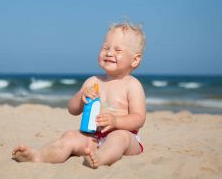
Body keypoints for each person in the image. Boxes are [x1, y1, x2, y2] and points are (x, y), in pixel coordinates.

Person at [12, 21, 146, 169]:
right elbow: (72, 109)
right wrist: (82, 96)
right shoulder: (93, 81)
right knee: (70, 136)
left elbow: (139, 118)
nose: (109, 53)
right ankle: (38, 156)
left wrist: (116, 122)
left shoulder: (132, 85)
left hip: (127, 139)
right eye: (105, 47)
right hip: (94, 137)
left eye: (118, 50)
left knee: (119, 138)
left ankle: (100, 158)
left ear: (135, 60)